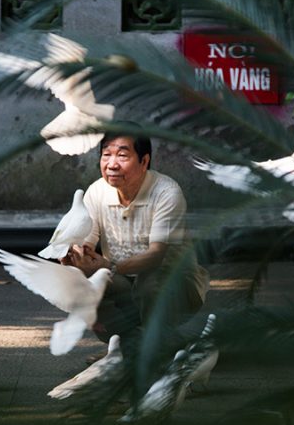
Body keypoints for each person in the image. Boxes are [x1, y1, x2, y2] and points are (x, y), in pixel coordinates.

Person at [63, 130, 209, 351]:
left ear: (144, 161)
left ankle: (157, 347)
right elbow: (86, 242)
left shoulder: (166, 192)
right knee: (90, 280)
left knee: (148, 283)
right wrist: (75, 256)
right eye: (106, 155)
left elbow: (156, 255)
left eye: (122, 156)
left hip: (174, 283)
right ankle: (124, 348)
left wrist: (109, 266)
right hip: (122, 278)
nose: (112, 164)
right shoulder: (96, 191)